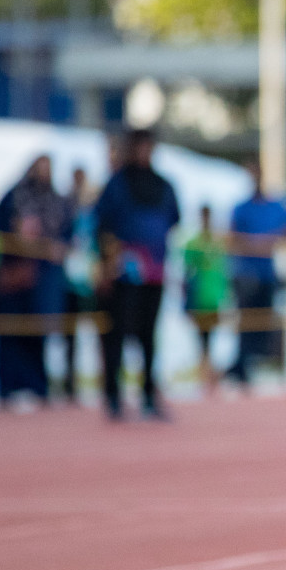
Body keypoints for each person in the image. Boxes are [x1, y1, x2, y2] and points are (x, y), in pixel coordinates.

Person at [95, 129, 180, 420]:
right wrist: (107, 264)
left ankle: (148, 395)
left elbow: (173, 222)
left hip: (154, 271)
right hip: (124, 271)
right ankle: (114, 396)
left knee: (149, 336)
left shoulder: (163, 185)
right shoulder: (117, 185)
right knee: (117, 333)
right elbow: (101, 226)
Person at [0, 155, 70, 408]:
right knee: (10, 333)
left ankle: (37, 386)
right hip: (14, 277)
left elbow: (68, 233)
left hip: (43, 280)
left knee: (37, 333)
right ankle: (8, 387)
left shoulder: (56, 200)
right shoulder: (15, 196)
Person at [225, 161, 286, 386]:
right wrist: (257, 245)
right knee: (246, 322)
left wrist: (266, 242)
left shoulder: (274, 206)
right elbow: (232, 237)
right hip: (246, 274)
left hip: (266, 274)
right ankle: (241, 365)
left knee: (265, 322)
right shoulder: (241, 207)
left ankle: (255, 363)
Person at [58, 167, 98, 401]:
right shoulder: (66, 212)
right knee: (70, 336)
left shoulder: (96, 215)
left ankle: (104, 381)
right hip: (70, 282)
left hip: (91, 281)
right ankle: (70, 383)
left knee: (100, 332)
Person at [182, 205, 229, 392]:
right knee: (201, 338)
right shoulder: (194, 243)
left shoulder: (218, 243)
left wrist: (224, 295)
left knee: (211, 337)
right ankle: (204, 373)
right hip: (198, 297)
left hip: (214, 298)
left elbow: (223, 272)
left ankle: (208, 373)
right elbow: (187, 273)